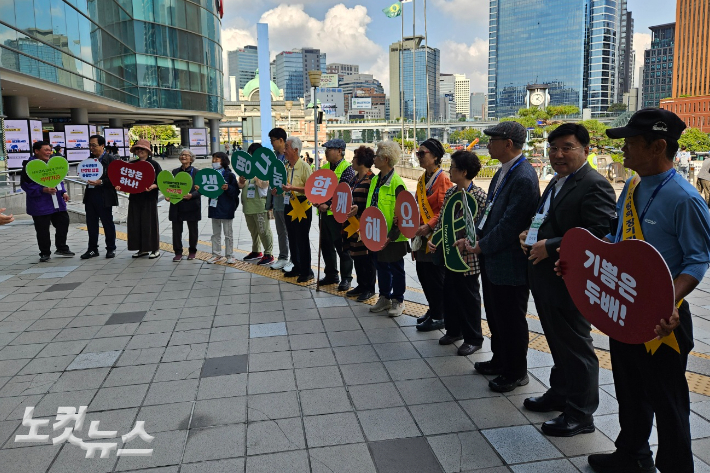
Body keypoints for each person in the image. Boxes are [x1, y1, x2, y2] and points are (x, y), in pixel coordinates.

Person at [583, 109, 710, 473]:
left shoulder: (685, 199)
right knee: (629, 391)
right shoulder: (634, 186)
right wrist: (581, 261)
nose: (623, 150)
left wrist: (666, 301)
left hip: (663, 321)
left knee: (669, 403)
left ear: (657, 146)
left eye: (631, 143)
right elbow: (617, 240)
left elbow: (697, 260)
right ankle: (632, 456)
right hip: (626, 311)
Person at [519, 124, 617, 437]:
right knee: (556, 340)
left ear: (586, 150)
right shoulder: (558, 181)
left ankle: (580, 414)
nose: (558, 155)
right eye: (553, 148)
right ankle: (559, 393)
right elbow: (547, 218)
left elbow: (599, 232)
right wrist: (531, 235)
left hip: (570, 280)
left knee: (576, 347)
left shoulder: (594, 184)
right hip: (546, 277)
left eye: (567, 147)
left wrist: (548, 245)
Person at [472, 121, 540, 393]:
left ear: (508, 143)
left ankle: (516, 372)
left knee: (511, 318)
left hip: (509, 262)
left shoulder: (523, 176)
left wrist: (481, 246)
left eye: (493, 139)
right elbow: (491, 214)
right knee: (496, 315)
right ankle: (499, 360)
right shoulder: (505, 171)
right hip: (494, 259)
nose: (488, 143)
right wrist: (479, 237)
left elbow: (510, 225)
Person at [429, 150, 487, 356]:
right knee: (450, 292)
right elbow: (443, 220)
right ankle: (454, 331)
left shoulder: (480, 196)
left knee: (468, 296)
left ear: (463, 171)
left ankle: (474, 338)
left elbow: (482, 227)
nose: (449, 171)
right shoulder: (452, 193)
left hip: (468, 256)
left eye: (452, 167)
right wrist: (434, 240)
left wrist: (471, 241)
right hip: (449, 254)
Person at [413, 138, 453, 332]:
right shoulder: (422, 178)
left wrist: (429, 226)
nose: (419, 157)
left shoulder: (442, 179)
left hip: (434, 237)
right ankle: (433, 308)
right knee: (423, 274)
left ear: (435, 156)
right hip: (421, 235)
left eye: (423, 153)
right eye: (417, 153)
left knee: (435, 277)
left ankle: (440, 315)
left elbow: (445, 209)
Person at [367, 141, 410, 317]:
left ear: (385, 159)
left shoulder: (397, 183)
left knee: (396, 268)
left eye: (376, 155)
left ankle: (398, 300)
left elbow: (403, 214)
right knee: (381, 266)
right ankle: (384, 297)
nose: (373, 158)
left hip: (393, 236)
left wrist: (391, 236)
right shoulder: (376, 179)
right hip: (376, 233)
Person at [21, 141, 74, 262]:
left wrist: (63, 192)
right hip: (40, 203)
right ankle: (45, 252)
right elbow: (25, 185)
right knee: (42, 229)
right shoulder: (29, 167)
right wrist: (42, 190)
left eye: (49, 150)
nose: (49, 152)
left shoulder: (53, 163)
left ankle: (61, 247)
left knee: (63, 223)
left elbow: (58, 179)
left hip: (57, 202)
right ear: (36, 151)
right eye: (45, 150)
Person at [317, 139, 356, 291]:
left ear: (339, 151)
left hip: (338, 214)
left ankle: (346, 278)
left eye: (329, 149)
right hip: (324, 213)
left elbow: (345, 191)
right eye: (326, 149)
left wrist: (329, 204)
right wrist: (317, 201)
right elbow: (318, 188)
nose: (326, 152)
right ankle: (331, 274)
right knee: (326, 245)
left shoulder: (347, 169)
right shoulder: (325, 167)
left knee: (342, 247)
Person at [119, 139, 162, 258]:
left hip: (149, 198)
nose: (140, 151)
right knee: (135, 224)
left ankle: (155, 248)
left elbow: (161, 181)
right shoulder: (132, 164)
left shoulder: (154, 164)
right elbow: (124, 180)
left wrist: (153, 186)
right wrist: (120, 186)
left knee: (149, 223)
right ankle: (142, 249)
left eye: (142, 149)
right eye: (137, 149)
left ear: (148, 151)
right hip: (135, 198)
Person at [344, 146, 376, 301]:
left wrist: (360, 209)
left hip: (365, 224)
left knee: (366, 257)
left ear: (362, 161)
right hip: (352, 224)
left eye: (355, 158)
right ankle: (361, 284)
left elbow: (373, 203)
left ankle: (369, 287)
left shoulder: (372, 179)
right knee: (356, 254)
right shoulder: (354, 179)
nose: (352, 161)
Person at [280, 136, 314, 282]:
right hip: (289, 204)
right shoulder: (286, 166)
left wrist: (293, 188)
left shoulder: (305, 167)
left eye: (286, 147)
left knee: (302, 239)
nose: (284, 150)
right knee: (292, 237)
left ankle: (307, 270)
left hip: (302, 205)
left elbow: (311, 189)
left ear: (295, 150)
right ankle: (297, 266)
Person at [81, 135, 118, 259]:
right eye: (90, 145)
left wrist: (101, 182)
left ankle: (111, 248)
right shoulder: (89, 160)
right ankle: (92, 249)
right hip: (91, 196)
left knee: (107, 223)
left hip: (105, 196)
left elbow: (115, 178)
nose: (91, 148)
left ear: (102, 146)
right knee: (91, 224)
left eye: (94, 145)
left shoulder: (111, 159)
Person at [238, 143, 274, 266]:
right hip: (248, 205)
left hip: (260, 205)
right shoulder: (247, 167)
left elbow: (264, 184)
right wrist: (241, 182)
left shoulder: (265, 167)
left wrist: (257, 172)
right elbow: (241, 186)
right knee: (253, 231)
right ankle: (256, 251)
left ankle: (268, 253)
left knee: (263, 230)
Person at [204, 151, 239, 264]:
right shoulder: (209, 175)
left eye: (217, 159)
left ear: (223, 161)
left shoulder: (229, 175)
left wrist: (227, 188)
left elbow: (236, 192)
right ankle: (216, 254)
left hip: (226, 207)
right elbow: (205, 189)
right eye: (213, 159)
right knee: (215, 233)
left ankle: (230, 255)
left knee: (228, 233)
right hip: (214, 207)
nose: (214, 161)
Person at [170, 149, 201, 262]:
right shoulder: (174, 172)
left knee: (193, 230)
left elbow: (201, 190)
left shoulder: (197, 172)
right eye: (182, 155)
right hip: (176, 205)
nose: (183, 156)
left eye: (186, 155)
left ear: (191, 159)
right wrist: (168, 196)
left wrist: (192, 195)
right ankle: (178, 252)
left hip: (192, 204)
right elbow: (170, 187)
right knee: (176, 230)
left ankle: (192, 251)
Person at [267, 128, 291, 271]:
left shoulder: (290, 157)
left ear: (281, 140)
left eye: (273, 141)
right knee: (281, 231)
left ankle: (294, 259)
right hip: (277, 201)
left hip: (288, 201)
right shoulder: (274, 158)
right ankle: (283, 257)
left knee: (291, 232)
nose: (272, 144)